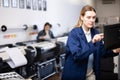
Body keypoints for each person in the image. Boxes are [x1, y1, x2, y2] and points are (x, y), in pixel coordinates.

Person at [61, 5, 120, 80]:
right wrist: (93, 42)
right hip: (75, 75)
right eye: (88, 17)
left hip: (91, 74)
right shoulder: (74, 33)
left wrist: (116, 50)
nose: (92, 20)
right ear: (82, 17)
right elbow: (78, 55)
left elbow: (101, 52)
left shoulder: (95, 32)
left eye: (94, 17)